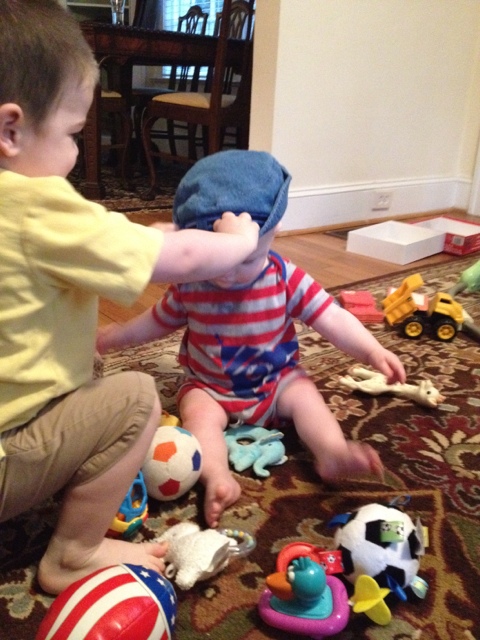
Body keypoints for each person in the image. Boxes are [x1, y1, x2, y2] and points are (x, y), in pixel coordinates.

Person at [0, 0, 260, 595]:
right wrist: (236, 243)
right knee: (135, 397)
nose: (76, 154)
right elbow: (181, 261)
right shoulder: (34, 205)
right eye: (73, 134)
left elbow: (103, 244)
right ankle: (75, 552)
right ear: (10, 130)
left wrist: (151, 235)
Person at [97, 151, 407, 530]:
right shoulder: (191, 284)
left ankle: (331, 453)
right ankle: (216, 476)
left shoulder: (285, 278)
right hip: (210, 386)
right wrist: (118, 335)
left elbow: (332, 317)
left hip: (277, 383)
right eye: (217, 259)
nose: (227, 274)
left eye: (245, 260)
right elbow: (156, 321)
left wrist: (372, 350)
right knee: (197, 412)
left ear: (274, 233)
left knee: (306, 396)